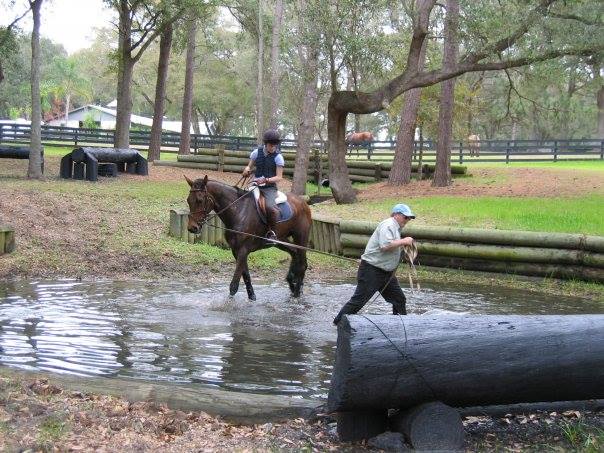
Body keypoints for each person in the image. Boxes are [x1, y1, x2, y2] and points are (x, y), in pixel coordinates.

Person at [333, 203, 416, 325]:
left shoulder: (395, 227)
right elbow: (385, 245)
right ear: (396, 215)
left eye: (409, 218)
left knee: (399, 299)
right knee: (358, 301)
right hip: (372, 271)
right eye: (405, 217)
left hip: (386, 273)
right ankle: (337, 324)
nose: (408, 220)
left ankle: (399, 327)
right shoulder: (388, 225)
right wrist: (404, 241)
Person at [242, 129, 285, 239]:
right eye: (271, 145)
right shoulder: (256, 152)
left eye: (275, 145)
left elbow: (279, 177)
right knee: (242, 200)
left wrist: (266, 180)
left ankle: (272, 233)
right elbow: (249, 166)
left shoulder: (278, 157)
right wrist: (246, 170)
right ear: (266, 143)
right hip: (254, 184)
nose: (273, 147)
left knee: (270, 207)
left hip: (269, 188)